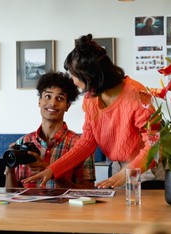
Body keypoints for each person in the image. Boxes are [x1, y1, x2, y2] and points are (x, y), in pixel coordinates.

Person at [23, 34, 158, 190]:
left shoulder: (136, 95)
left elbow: (155, 146)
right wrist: (53, 170)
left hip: (146, 169)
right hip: (118, 168)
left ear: (89, 77)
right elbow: (87, 142)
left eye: (74, 76)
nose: (73, 81)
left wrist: (125, 174)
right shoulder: (91, 99)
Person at [0, 71, 95, 234]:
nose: (52, 103)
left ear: (68, 105)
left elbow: (89, 193)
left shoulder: (80, 145)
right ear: (39, 101)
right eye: (47, 96)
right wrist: (9, 171)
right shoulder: (23, 143)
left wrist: (51, 172)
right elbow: (11, 194)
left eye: (60, 98)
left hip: (60, 219)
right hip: (22, 218)